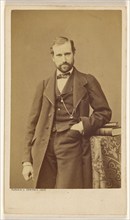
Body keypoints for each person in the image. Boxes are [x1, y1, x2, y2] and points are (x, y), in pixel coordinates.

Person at [22, 36, 112, 189]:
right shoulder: (43, 85)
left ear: (74, 53)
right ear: (53, 58)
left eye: (67, 54)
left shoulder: (88, 81)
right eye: (59, 55)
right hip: (44, 149)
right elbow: (31, 123)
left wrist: (83, 125)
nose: (64, 59)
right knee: (45, 199)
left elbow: (104, 112)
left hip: (73, 146)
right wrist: (26, 161)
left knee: (67, 195)